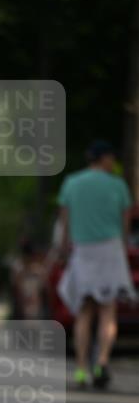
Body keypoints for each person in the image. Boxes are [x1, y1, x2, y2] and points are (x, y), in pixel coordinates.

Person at [57, 140, 135, 389]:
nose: (114, 162)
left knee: (84, 312)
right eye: (112, 157)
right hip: (110, 251)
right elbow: (125, 222)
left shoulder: (71, 183)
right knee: (107, 311)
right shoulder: (118, 185)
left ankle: (81, 368)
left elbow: (65, 222)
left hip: (83, 251)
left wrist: (63, 249)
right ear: (104, 158)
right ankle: (101, 362)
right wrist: (123, 247)